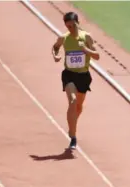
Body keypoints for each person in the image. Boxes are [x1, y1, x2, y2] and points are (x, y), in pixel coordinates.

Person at [51, 12, 100, 149]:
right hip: (69, 75)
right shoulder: (64, 38)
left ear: (78, 23)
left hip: (83, 76)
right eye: (68, 26)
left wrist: (85, 49)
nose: (71, 28)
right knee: (72, 101)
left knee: (78, 106)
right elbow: (55, 47)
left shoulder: (87, 37)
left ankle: (72, 126)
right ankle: (73, 135)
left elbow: (97, 56)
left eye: (73, 25)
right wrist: (55, 55)